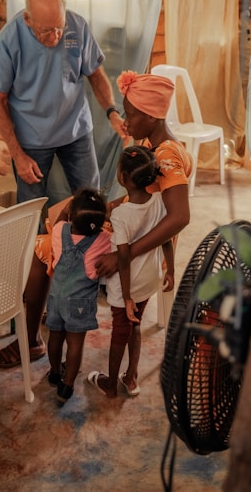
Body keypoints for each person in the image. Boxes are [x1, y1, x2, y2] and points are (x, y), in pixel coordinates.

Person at [0, 0, 124, 364]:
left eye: (59, 27)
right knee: (35, 225)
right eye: (46, 30)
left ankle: (96, 278)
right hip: (31, 140)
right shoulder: (10, 38)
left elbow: (95, 74)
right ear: (28, 20)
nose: (55, 37)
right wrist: (16, 153)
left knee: (95, 204)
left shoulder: (76, 26)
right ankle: (32, 323)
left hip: (75, 130)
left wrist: (111, 111)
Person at [87, 146, 175, 398]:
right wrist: (171, 269)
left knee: (120, 330)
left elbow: (123, 258)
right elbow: (167, 237)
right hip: (150, 278)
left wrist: (125, 297)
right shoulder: (160, 201)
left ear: (122, 178)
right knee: (134, 327)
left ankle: (111, 383)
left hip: (128, 284)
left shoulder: (120, 213)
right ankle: (131, 378)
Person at [94, 69, 192, 281]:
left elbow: (180, 217)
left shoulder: (165, 156)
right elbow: (147, 195)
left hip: (145, 246)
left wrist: (123, 255)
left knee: (55, 245)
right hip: (138, 227)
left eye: (129, 114)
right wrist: (108, 208)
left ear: (151, 116)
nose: (125, 122)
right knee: (67, 212)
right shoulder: (154, 144)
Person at [45, 188, 111, 403]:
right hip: (80, 303)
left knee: (55, 336)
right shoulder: (104, 239)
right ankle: (67, 386)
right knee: (75, 343)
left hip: (55, 297)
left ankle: (55, 372)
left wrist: (67, 210)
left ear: (71, 215)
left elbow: (61, 219)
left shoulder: (59, 230)